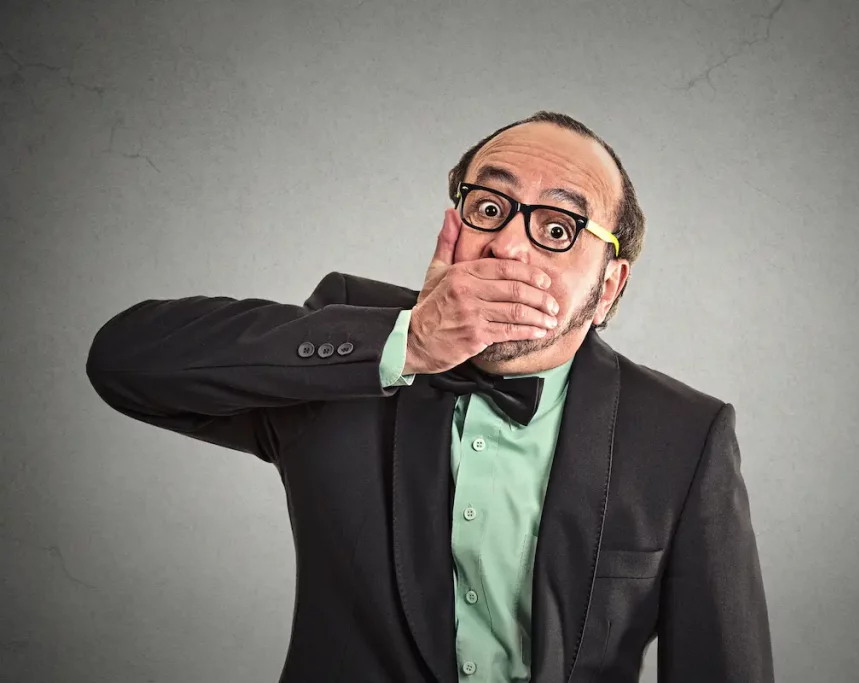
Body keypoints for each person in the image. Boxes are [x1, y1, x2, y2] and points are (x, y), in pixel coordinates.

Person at [86, 111, 774, 682]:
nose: (507, 245)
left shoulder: (685, 435)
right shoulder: (345, 354)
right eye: (490, 207)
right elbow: (124, 361)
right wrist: (405, 344)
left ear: (609, 288)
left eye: (558, 229)